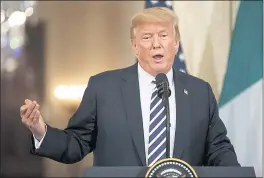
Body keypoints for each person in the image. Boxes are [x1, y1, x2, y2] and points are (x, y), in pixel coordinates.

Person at [20, 7, 240, 167]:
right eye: (147, 37)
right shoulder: (103, 88)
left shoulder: (200, 92)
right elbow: (75, 144)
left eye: (163, 36)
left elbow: (218, 149)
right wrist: (41, 130)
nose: (156, 43)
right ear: (134, 46)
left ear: (175, 43)